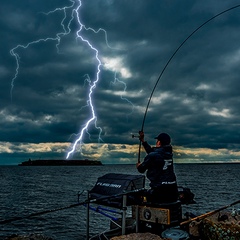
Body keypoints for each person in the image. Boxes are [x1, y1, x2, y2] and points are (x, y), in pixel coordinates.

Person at [136, 131, 178, 204]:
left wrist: (139, 166)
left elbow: (141, 170)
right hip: (173, 190)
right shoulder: (169, 153)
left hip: (159, 191)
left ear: (159, 142)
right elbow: (153, 152)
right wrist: (143, 141)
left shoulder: (153, 155)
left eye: (157, 141)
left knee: (137, 197)